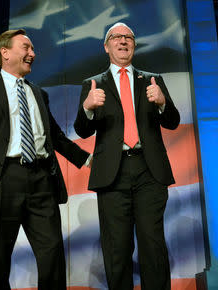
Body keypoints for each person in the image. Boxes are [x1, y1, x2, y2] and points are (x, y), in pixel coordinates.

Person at [0, 29, 90, 290]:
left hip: (42, 180)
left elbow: (56, 138)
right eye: (26, 47)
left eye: (33, 49)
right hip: (2, 180)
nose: (33, 54)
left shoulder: (39, 93)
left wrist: (91, 159)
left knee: (52, 257)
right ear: (5, 52)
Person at [74, 22, 180, 290]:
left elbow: (173, 122)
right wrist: (87, 107)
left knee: (152, 244)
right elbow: (82, 130)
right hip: (113, 174)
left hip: (149, 170)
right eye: (116, 37)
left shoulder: (152, 79)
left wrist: (163, 102)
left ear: (134, 44)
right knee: (117, 248)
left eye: (128, 37)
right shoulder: (93, 84)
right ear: (106, 46)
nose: (123, 41)